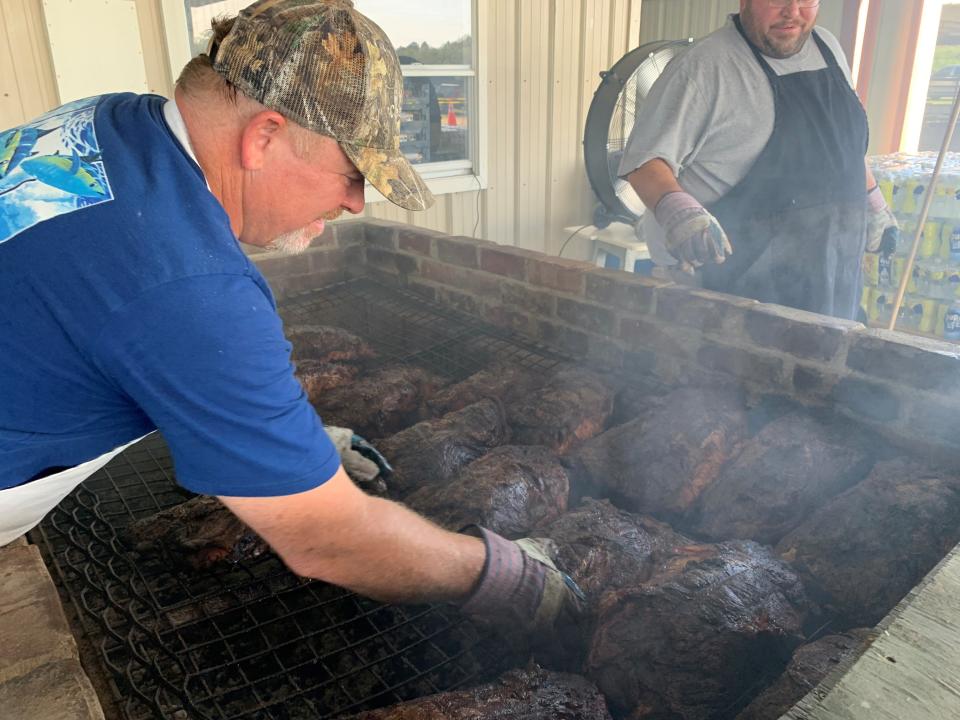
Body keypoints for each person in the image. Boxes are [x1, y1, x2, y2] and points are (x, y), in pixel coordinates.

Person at [0, 0, 581, 636]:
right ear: (264, 136)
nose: (357, 204)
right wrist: (504, 576)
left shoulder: (108, 121)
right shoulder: (195, 290)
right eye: (354, 173)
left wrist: (284, 438)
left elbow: (116, 326)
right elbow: (326, 540)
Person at [620, 0, 899, 320]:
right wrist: (679, 212)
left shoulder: (828, 48)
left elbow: (843, 145)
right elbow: (644, 163)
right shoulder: (705, 67)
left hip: (833, 286)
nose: (792, 11)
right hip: (735, 301)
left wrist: (874, 203)